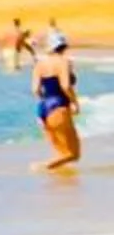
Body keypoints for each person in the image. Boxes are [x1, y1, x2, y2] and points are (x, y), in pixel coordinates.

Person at [34, 34, 82, 171]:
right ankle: (40, 169)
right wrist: (75, 103)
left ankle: (57, 183)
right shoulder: (63, 62)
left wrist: (45, 104)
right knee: (73, 154)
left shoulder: (40, 64)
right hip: (59, 107)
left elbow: (35, 90)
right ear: (63, 47)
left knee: (61, 154)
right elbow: (66, 86)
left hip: (43, 110)